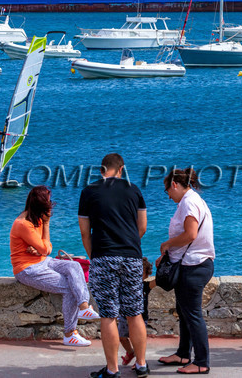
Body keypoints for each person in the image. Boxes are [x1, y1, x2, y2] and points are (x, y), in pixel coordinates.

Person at [78, 153, 149, 378]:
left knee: (109, 315)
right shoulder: (134, 190)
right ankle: (141, 364)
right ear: (121, 170)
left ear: (102, 170)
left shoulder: (89, 192)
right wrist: (128, 246)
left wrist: (94, 256)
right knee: (135, 313)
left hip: (103, 256)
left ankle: (112, 369)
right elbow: (142, 227)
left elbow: (84, 232)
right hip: (131, 257)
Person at [11, 186, 98, 347]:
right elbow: (46, 248)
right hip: (27, 269)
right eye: (48, 202)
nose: (51, 206)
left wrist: (40, 248)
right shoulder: (23, 223)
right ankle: (70, 334)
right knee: (68, 287)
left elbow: (46, 248)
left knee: (74, 267)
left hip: (42, 260)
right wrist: (47, 224)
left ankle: (84, 306)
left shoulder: (36, 218)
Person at [157, 168, 216, 374]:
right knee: (184, 311)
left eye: (167, 192)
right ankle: (183, 354)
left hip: (194, 266)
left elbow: (190, 234)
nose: (169, 196)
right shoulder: (192, 200)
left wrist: (167, 244)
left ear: (174, 185)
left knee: (192, 314)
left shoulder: (189, 202)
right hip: (193, 263)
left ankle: (201, 362)